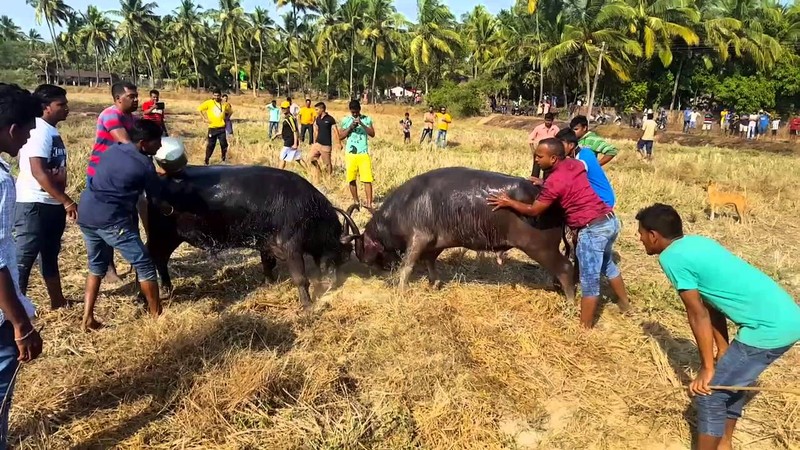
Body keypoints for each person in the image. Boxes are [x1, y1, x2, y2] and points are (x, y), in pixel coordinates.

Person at [635, 203, 800, 450]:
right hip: (787, 318)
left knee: (709, 394)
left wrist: (707, 368)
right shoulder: (697, 243)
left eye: (640, 234)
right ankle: (724, 444)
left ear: (653, 235)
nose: (640, 240)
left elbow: (697, 313)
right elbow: (712, 304)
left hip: (767, 329)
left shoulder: (671, 257)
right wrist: (722, 350)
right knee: (730, 385)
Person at [487, 138, 630, 328]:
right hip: (609, 220)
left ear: (553, 158)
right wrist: (542, 181)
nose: (536, 159)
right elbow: (566, 181)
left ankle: (584, 330)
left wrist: (509, 202)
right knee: (607, 264)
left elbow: (534, 210)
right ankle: (625, 305)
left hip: (592, 229)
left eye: (539, 156)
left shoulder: (555, 182)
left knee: (589, 281)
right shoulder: (574, 164)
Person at [77, 119, 165, 331]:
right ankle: (157, 316)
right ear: (143, 143)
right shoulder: (144, 165)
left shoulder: (113, 149)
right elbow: (157, 193)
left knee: (96, 267)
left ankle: (87, 317)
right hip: (111, 220)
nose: (160, 146)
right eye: (157, 142)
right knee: (144, 263)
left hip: (86, 214)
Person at [0, 84, 45, 448]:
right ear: (13, 130)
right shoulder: (1, 180)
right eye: (28, 131)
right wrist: (20, 323)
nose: (29, 138)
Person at [14, 84, 74, 310]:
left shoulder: (50, 130)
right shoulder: (38, 131)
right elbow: (38, 171)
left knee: (50, 254)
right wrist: (66, 200)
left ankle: (57, 301)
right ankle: (14, 311)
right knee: (24, 259)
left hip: (49, 202)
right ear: (46, 107)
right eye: (61, 105)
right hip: (34, 204)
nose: (66, 108)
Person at [89, 81, 140, 284]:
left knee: (130, 217)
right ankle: (108, 268)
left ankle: (136, 262)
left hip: (121, 176)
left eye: (137, 96)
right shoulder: (111, 115)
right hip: (102, 175)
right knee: (107, 220)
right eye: (132, 96)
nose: (136, 100)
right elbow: (128, 145)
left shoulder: (132, 118)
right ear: (118, 98)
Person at [556, 128, 615, 208]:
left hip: (601, 201)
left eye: (561, 145)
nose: (558, 149)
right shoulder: (585, 151)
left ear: (571, 145)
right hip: (605, 197)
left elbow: (568, 183)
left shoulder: (581, 160)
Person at [339, 100, 376, 210]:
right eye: (353, 112)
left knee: (367, 179)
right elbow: (340, 136)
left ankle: (369, 204)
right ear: (350, 110)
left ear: (360, 110)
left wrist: (362, 124)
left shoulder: (367, 119)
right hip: (350, 154)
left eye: (356, 112)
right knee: (351, 179)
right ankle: (356, 202)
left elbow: (372, 134)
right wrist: (350, 127)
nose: (354, 114)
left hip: (363, 153)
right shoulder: (346, 120)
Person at [198, 89, 231, 165]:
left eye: (218, 95)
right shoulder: (209, 103)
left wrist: (226, 118)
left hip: (221, 128)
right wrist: (204, 119)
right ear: (212, 95)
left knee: (224, 144)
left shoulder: (224, 104)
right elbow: (199, 109)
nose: (216, 97)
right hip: (212, 128)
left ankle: (223, 159)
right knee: (211, 145)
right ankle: (206, 160)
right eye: (215, 95)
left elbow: (230, 111)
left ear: (220, 95)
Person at [272, 101, 307, 171]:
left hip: (289, 141)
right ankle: (310, 171)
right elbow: (288, 130)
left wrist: (295, 143)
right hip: (290, 140)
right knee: (298, 158)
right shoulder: (288, 117)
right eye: (282, 108)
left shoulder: (290, 118)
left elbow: (295, 130)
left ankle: (279, 173)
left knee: (282, 157)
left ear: (288, 108)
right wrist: (277, 134)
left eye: (285, 108)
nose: (283, 110)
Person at [310, 101, 337, 176]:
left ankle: (329, 177)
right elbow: (316, 130)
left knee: (327, 164)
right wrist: (314, 141)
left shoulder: (330, 119)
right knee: (312, 158)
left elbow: (335, 130)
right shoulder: (318, 119)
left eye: (317, 109)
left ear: (322, 109)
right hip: (318, 143)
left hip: (326, 145)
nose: (316, 111)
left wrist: (339, 142)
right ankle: (319, 171)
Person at [529, 113, 559, 178]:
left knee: (548, 170)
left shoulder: (555, 129)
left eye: (549, 121)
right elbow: (530, 139)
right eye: (547, 120)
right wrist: (533, 151)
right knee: (536, 170)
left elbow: (559, 140)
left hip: (549, 153)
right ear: (544, 120)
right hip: (539, 152)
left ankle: (545, 184)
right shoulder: (538, 128)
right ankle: (533, 184)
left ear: (552, 120)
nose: (548, 122)